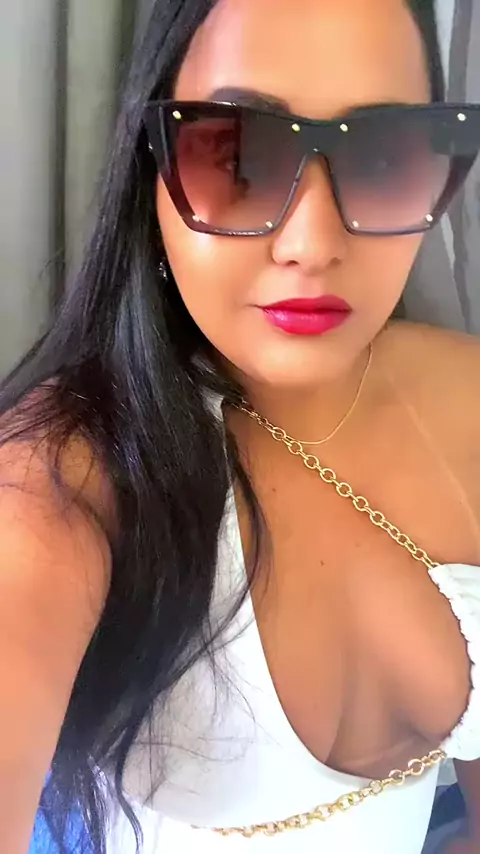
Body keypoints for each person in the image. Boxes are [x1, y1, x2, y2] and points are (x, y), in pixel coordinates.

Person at [2, 0, 480, 852]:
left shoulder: (466, 398)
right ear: (152, 168)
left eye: (382, 157)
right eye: (237, 155)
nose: (312, 242)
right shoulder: (57, 486)